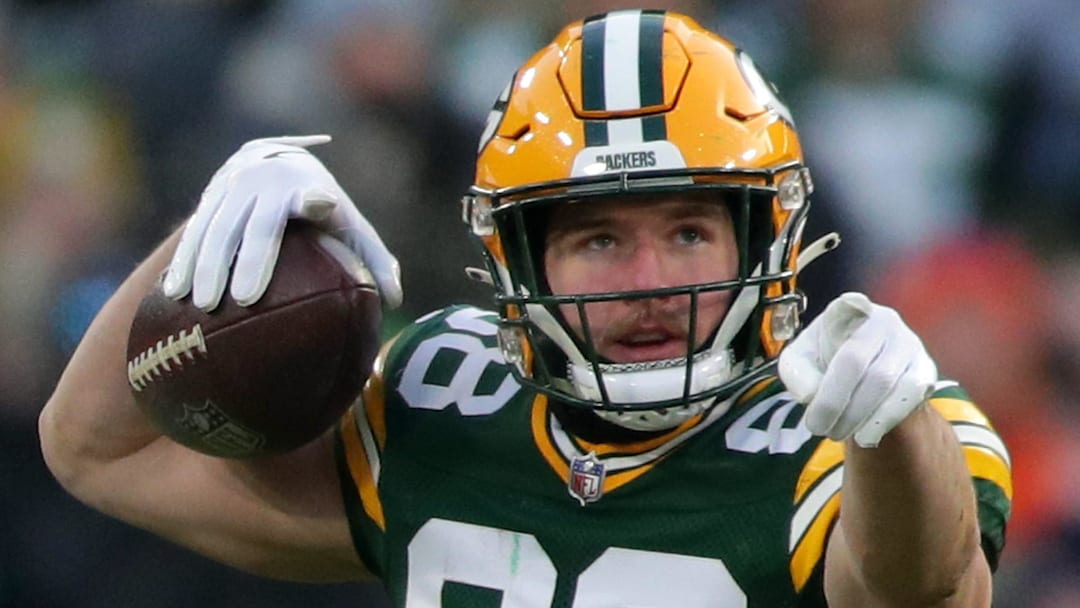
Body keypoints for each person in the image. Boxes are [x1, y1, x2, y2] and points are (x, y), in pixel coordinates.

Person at [39, 10, 1011, 607]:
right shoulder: (440, 397)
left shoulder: (873, 430)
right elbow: (100, 447)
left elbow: (917, 590)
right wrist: (203, 243)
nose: (645, 278)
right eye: (597, 239)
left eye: (686, 232)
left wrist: (892, 434)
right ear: (518, 255)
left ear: (764, 240)